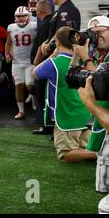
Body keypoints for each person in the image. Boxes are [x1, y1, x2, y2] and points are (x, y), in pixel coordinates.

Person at [33, 26, 96, 163]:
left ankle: (100, 154)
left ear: (57, 41)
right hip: (86, 114)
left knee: (65, 154)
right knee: (84, 147)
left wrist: (53, 53)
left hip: (67, 116)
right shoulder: (84, 60)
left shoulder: (54, 63)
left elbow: (35, 72)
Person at [73, 15, 109, 193]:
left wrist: (86, 59)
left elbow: (101, 85)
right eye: (92, 33)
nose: (96, 37)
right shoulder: (100, 55)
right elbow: (73, 79)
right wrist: (78, 54)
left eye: (100, 31)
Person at [6, 6, 37, 119]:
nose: (21, 18)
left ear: (28, 16)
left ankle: (33, 97)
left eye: (23, 15)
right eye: (19, 16)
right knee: (18, 86)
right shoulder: (11, 27)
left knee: (29, 85)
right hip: (17, 62)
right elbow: (8, 43)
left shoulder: (35, 26)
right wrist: (7, 54)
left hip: (30, 61)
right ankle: (21, 111)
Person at [31, 0, 53, 134]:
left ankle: (47, 126)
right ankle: (48, 125)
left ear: (39, 12)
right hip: (47, 65)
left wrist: (36, 65)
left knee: (42, 95)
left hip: (43, 65)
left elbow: (42, 47)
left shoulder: (45, 24)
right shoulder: (50, 22)